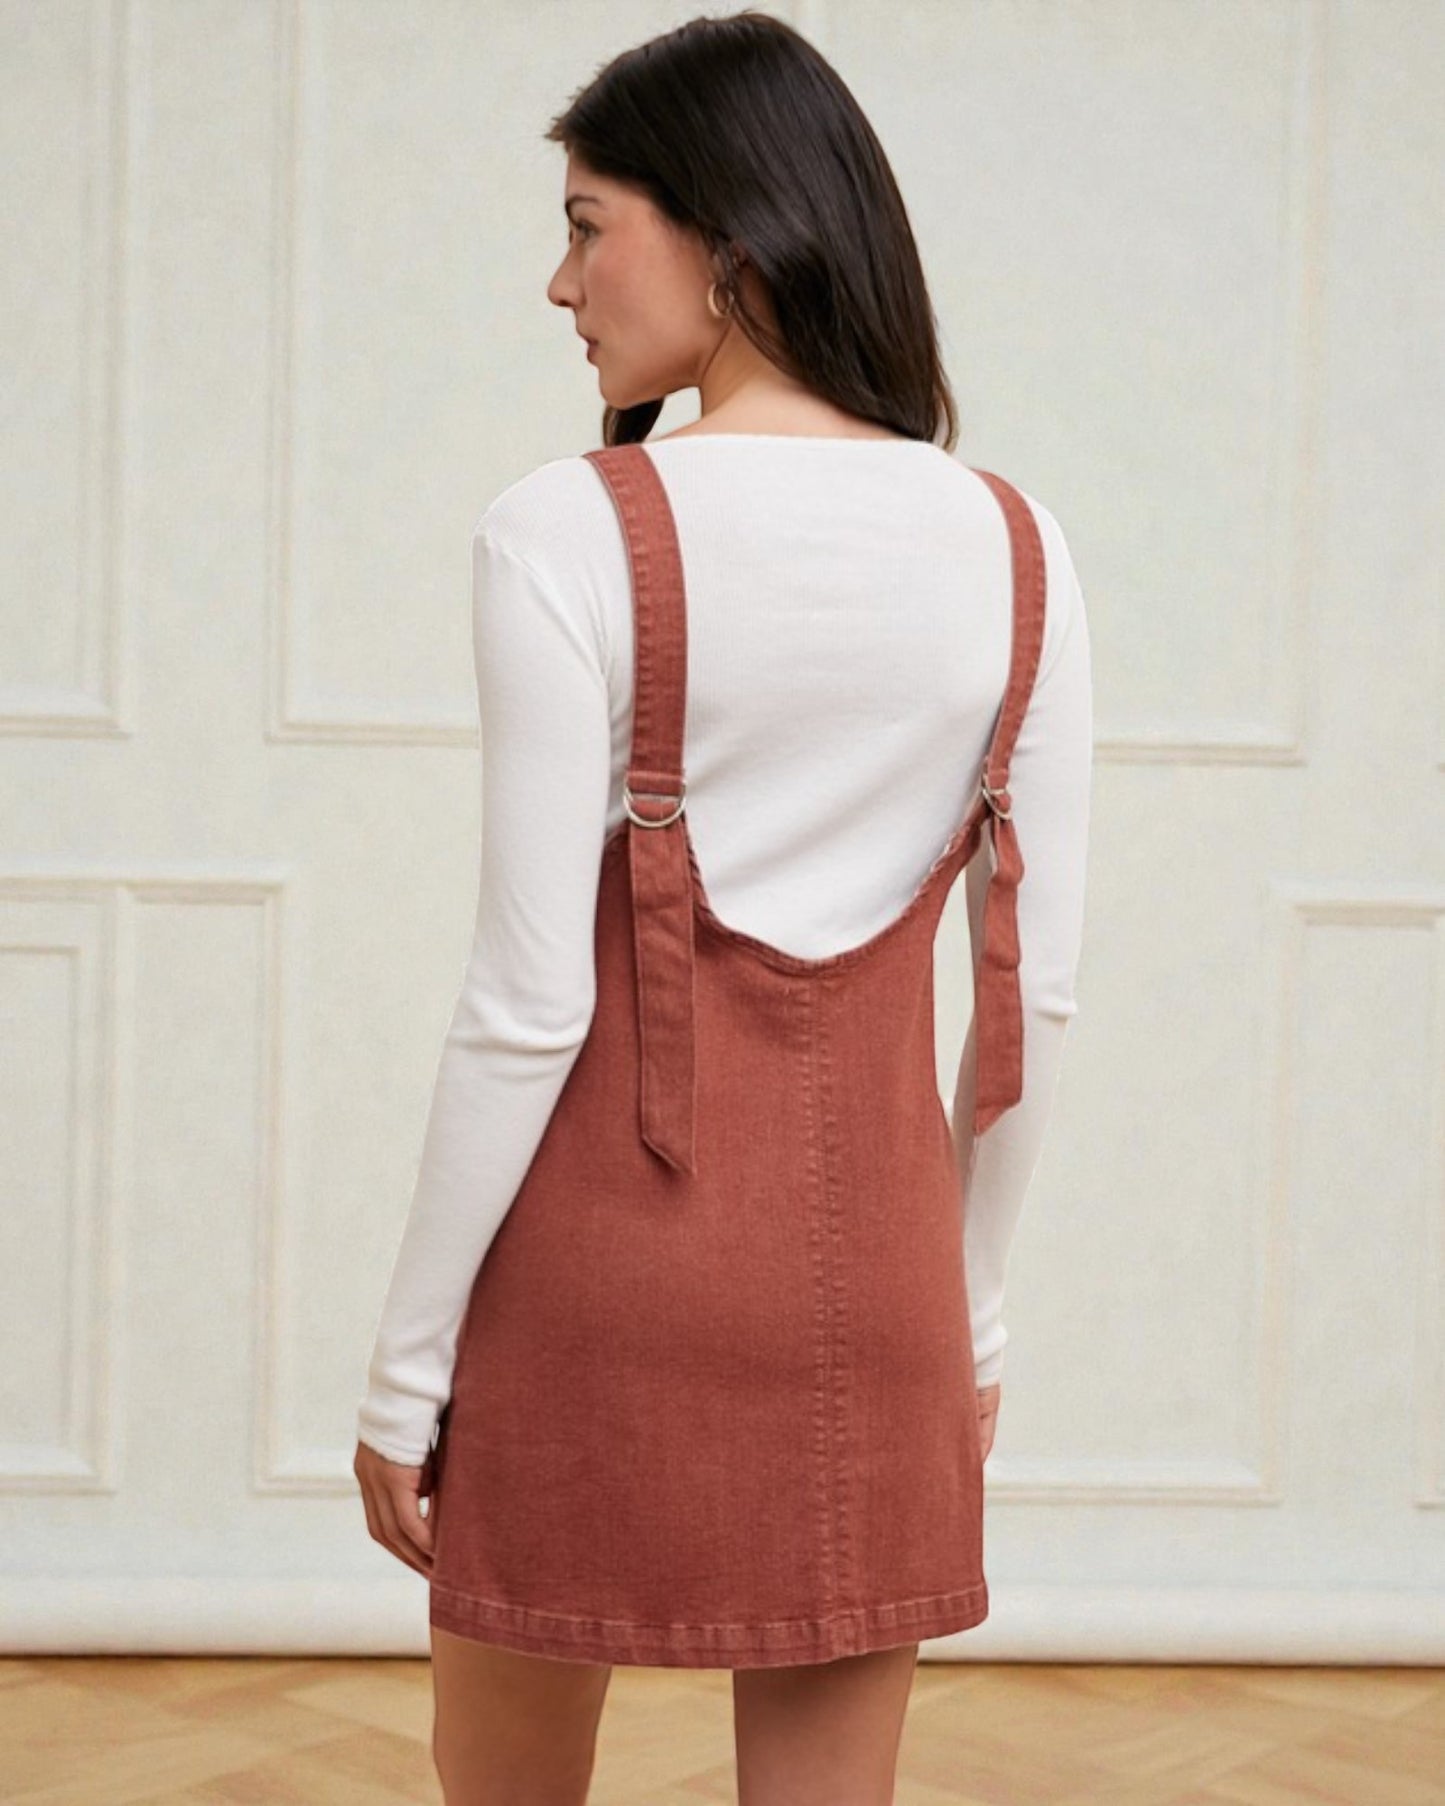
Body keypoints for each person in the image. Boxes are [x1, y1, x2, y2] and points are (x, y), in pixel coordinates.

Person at [354, 11, 1093, 1804]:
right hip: (881, 1289)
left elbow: (528, 1001)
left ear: (732, 242)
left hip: (597, 1278)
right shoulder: (1016, 542)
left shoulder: (564, 527)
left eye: (591, 221)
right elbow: (1030, 1001)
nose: (558, 280)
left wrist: (405, 1369)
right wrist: (973, 1310)